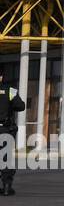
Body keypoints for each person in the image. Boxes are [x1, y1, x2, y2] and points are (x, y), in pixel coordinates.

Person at [0, 66, 25, 197]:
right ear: (1, 77)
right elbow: (21, 106)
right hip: (5, 129)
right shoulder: (10, 90)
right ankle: (6, 187)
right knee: (5, 158)